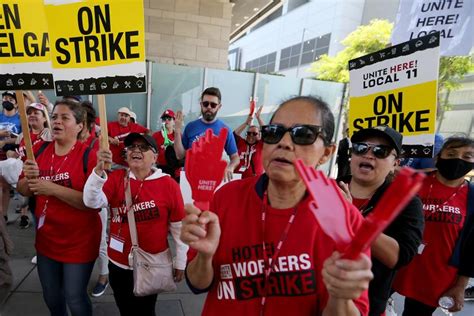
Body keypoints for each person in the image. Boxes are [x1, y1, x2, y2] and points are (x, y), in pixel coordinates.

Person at [181, 96, 373, 316]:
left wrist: (341, 297)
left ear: (327, 153)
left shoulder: (346, 220)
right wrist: (204, 257)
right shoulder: (225, 198)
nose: (284, 142)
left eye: (303, 134)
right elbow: (197, 284)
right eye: (274, 132)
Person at [83, 133, 188, 316]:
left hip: (152, 263)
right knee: (125, 308)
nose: (136, 150)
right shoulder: (116, 178)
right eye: (132, 147)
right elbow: (91, 201)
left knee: (146, 310)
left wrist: (181, 261)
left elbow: (179, 227)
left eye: (143, 147)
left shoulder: (168, 184)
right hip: (118, 263)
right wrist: (99, 170)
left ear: (155, 157)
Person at [17, 99, 101, 316]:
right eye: (54, 117)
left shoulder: (88, 155)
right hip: (47, 240)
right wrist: (29, 178)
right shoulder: (38, 149)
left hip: (79, 242)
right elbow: (23, 190)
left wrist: (51, 188)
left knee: (75, 297)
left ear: (80, 125)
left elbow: (91, 204)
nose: (57, 121)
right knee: (51, 296)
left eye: (65, 117)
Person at [337, 126, 424, 316]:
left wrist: (353, 217)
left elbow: (398, 257)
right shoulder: (329, 188)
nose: (368, 155)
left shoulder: (406, 202)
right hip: (315, 298)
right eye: (361, 148)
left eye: (380, 151)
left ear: (395, 163)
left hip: (365, 306)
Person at [393, 135, 474, 315]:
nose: (458, 160)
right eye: (451, 154)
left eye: (467, 156)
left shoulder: (472, 198)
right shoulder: (412, 181)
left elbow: (471, 247)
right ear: (438, 158)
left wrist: (461, 286)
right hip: (395, 264)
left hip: (434, 277)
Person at [174, 87, 239, 181]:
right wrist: (177, 130)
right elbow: (180, 155)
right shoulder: (190, 127)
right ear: (201, 105)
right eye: (205, 104)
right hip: (191, 179)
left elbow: (235, 157)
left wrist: (231, 167)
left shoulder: (225, 130)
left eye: (213, 105)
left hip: (214, 180)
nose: (209, 107)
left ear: (219, 107)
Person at [14, 103, 52, 229]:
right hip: (25, 180)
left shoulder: (48, 133)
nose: (32, 115)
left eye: (36, 113)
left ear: (45, 118)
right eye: (29, 113)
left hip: (44, 182)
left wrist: (46, 104)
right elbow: (19, 155)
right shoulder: (22, 136)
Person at [232, 105, 264, 179]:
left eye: (254, 133)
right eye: (249, 133)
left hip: (255, 181)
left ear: (259, 135)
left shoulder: (261, 144)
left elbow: (268, 133)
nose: (251, 135)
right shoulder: (241, 143)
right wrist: (246, 123)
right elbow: (234, 135)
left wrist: (258, 118)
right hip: (238, 179)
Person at [152, 109, 182, 181]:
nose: (166, 121)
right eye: (164, 119)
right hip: (161, 169)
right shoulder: (156, 136)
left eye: (169, 119)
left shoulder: (179, 136)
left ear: (174, 121)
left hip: (176, 171)